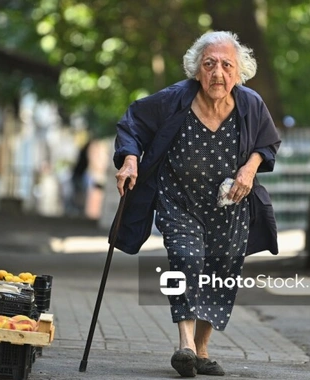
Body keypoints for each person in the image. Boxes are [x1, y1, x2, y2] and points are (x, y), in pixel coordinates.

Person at [112, 31, 280, 377]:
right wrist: (130, 160)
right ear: (196, 69)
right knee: (186, 259)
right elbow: (132, 125)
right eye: (209, 64)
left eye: (226, 65)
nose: (218, 73)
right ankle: (185, 345)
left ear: (239, 71)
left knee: (222, 276)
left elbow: (267, 144)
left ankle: (202, 352)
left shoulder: (250, 104)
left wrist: (249, 170)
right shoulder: (174, 99)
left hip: (230, 206)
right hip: (179, 201)